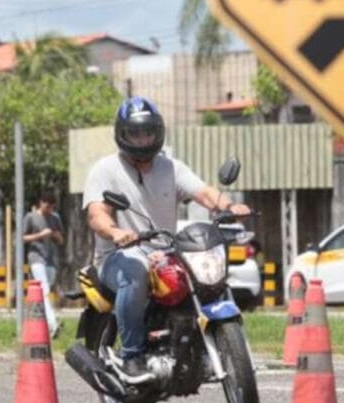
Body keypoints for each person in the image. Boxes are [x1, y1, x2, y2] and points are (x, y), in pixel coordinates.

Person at [82, 96, 250, 378]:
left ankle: (197, 345)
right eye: (134, 133)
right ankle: (132, 355)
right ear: (122, 134)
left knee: (202, 274)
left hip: (164, 251)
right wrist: (116, 232)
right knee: (135, 273)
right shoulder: (104, 170)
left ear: (158, 132)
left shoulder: (170, 167)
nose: (142, 139)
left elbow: (204, 192)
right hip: (119, 256)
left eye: (147, 131)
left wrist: (229, 206)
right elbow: (97, 214)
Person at [23, 190, 65, 337]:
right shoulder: (31, 217)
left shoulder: (55, 218)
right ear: (41, 203)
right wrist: (40, 235)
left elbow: (61, 241)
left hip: (51, 260)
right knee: (44, 290)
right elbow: (22, 237)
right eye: (47, 207)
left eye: (52, 208)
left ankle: (38, 325)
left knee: (44, 293)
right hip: (36, 258)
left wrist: (56, 235)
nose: (49, 210)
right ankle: (53, 324)